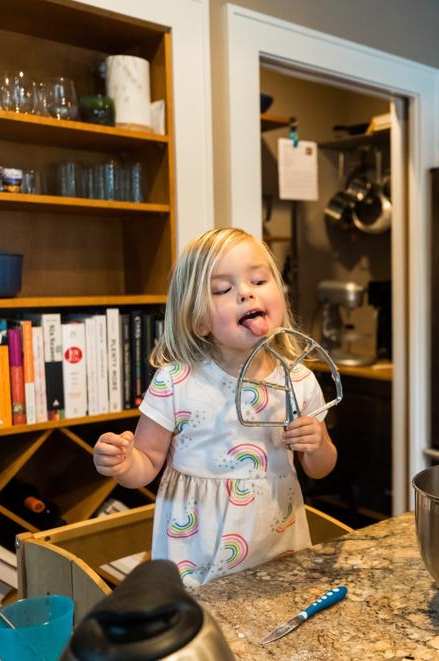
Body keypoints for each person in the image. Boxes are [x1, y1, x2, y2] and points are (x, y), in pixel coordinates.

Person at [93, 228, 337, 586]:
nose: (246, 292)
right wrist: (123, 463)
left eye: (258, 279)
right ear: (199, 320)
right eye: (223, 289)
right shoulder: (176, 381)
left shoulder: (297, 380)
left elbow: (319, 468)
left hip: (276, 540)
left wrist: (318, 444)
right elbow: (146, 464)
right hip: (195, 548)